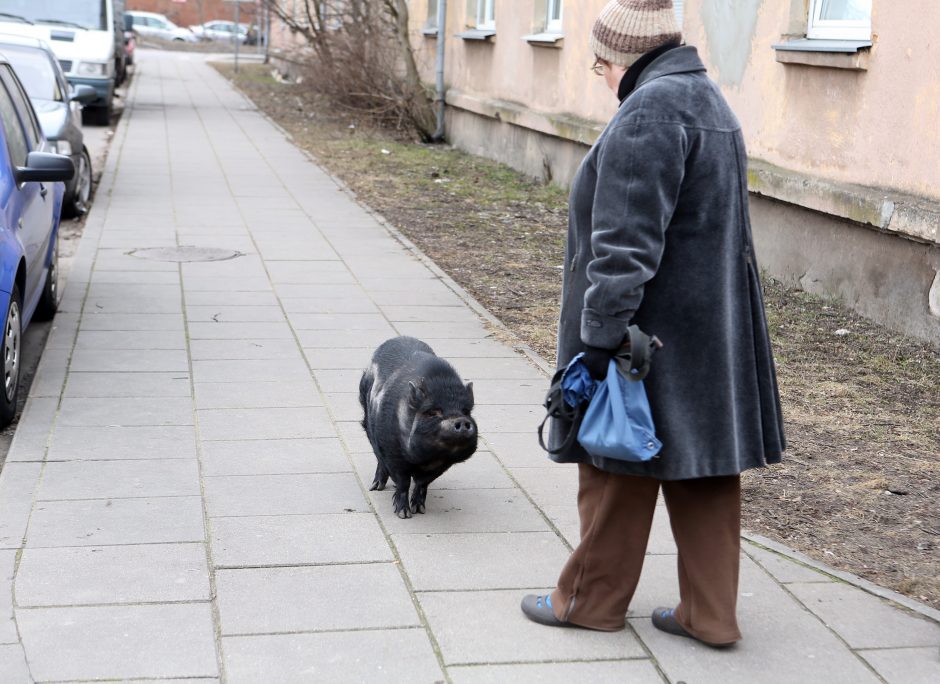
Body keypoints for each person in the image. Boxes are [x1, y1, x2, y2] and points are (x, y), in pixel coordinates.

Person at [520, 0, 786, 647]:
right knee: (703, 471)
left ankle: (589, 603)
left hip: (646, 335)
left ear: (626, 58)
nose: (601, 77)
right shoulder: (707, 101)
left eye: (602, 64)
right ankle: (711, 615)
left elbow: (624, 245)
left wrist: (599, 341)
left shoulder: (650, 112)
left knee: (613, 461)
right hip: (706, 333)